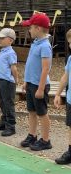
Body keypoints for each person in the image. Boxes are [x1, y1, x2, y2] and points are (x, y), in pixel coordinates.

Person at [20, 13, 52, 151]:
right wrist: (26, 81)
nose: (29, 30)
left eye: (31, 27)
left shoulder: (45, 46)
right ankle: (32, 135)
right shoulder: (35, 43)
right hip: (31, 83)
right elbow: (30, 65)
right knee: (31, 111)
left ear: (38, 28)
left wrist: (40, 88)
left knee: (42, 113)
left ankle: (46, 140)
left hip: (40, 85)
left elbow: (45, 69)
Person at [0, 28, 18, 136]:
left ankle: (11, 126)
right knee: (2, 102)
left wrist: (16, 80)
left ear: (10, 40)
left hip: (7, 82)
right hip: (0, 80)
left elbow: (14, 68)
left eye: (2, 38)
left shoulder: (10, 53)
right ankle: (4, 121)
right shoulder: (2, 51)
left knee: (8, 103)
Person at [54, 29, 71, 165]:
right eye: (69, 43)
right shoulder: (70, 59)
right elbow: (65, 77)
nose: (70, 46)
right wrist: (58, 93)